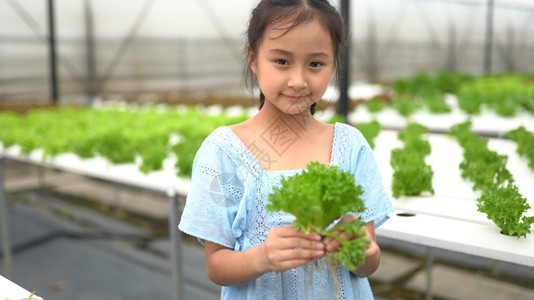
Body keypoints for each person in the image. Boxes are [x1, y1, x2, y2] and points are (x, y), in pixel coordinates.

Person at [178, 0, 393, 299]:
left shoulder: (350, 145)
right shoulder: (224, 152)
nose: (298, 80)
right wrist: (262, 257)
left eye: (316, 64)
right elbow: (216, 265)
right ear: (253, 58)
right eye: (281, 61)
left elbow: (368, 264)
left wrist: (361, 251)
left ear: (333, 63)